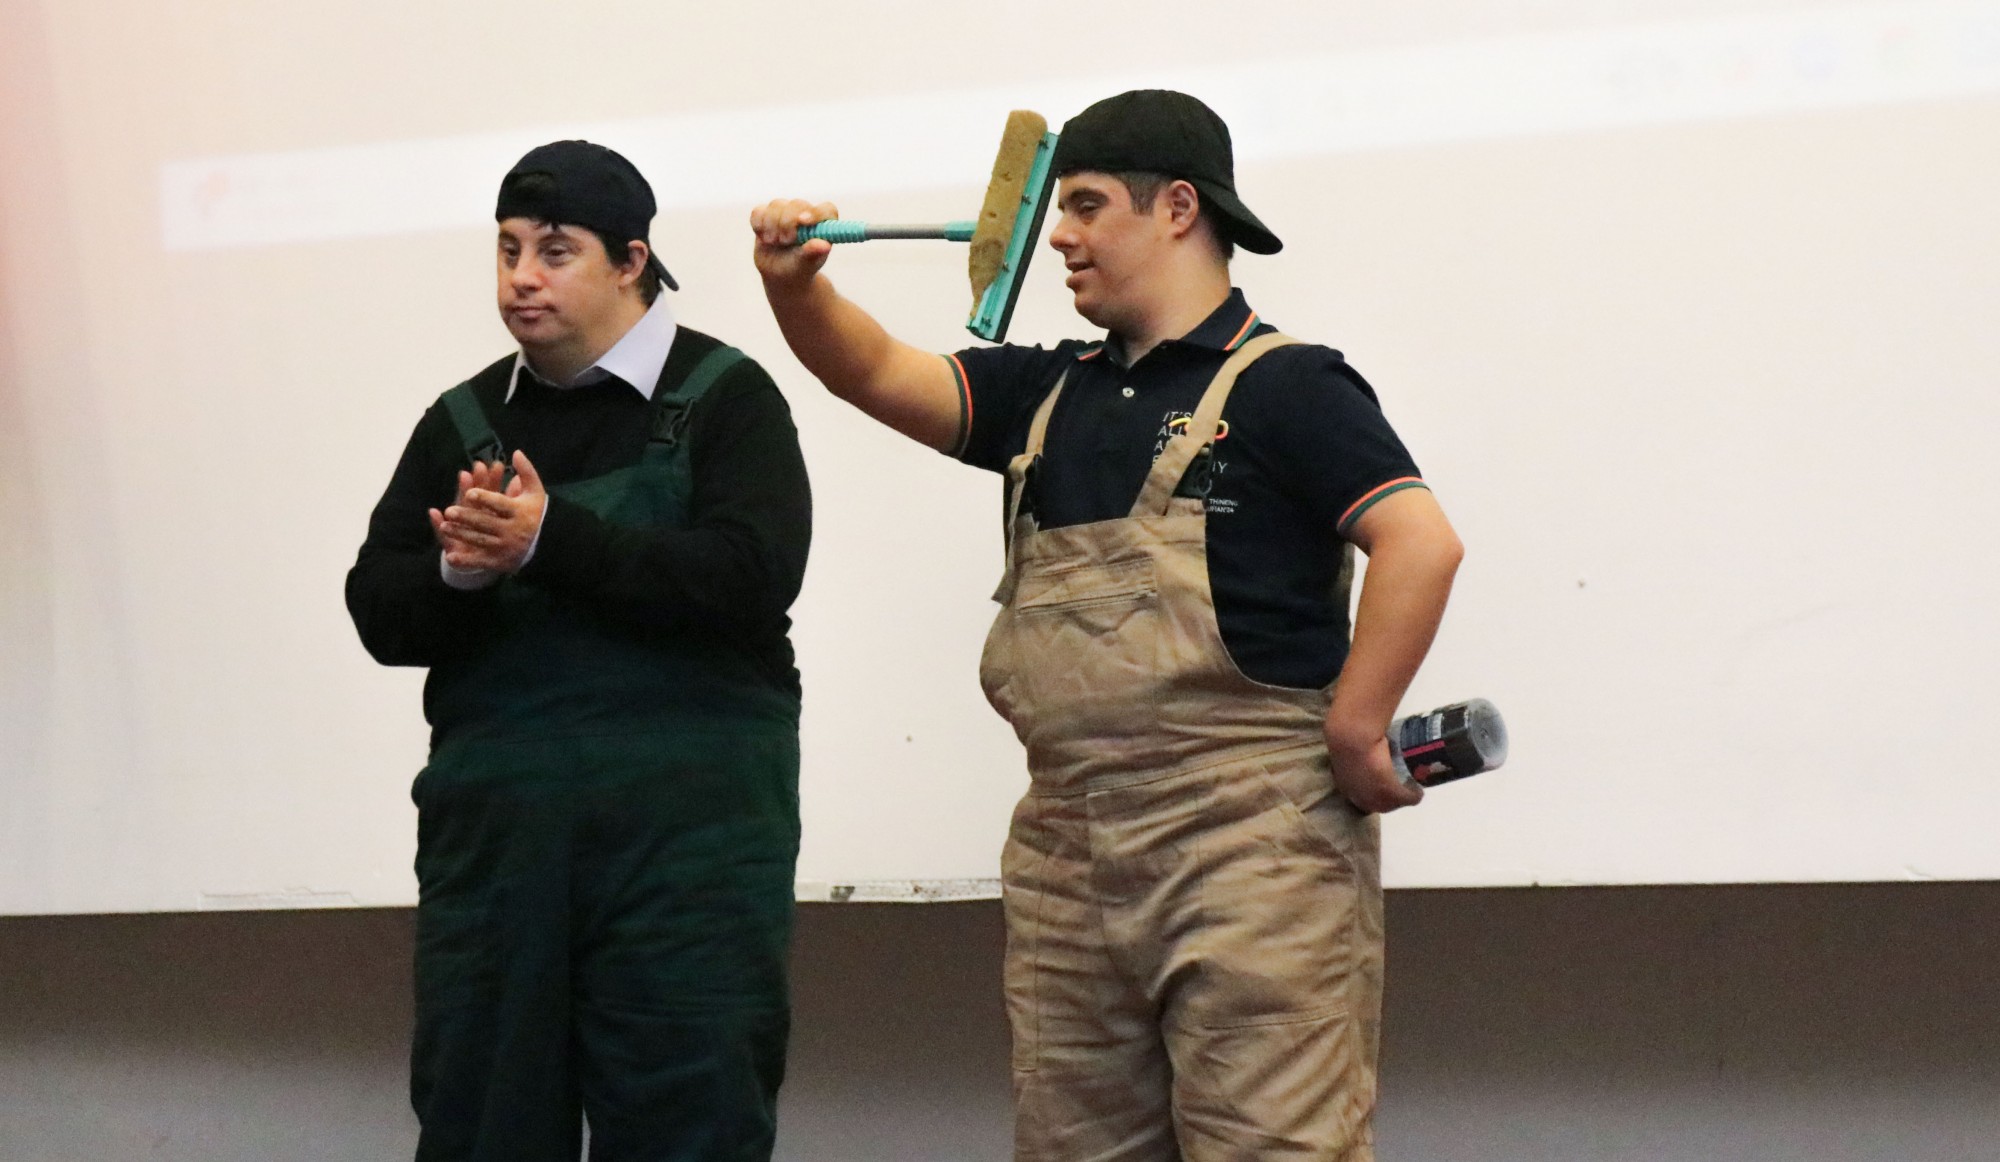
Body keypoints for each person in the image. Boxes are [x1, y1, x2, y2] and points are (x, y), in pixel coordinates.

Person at [752, 90, 1462, 1159]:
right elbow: (875, 371)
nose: (1060, 237)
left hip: (1251, 847)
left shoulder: (1289, 386)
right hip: (1067, 853)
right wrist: (793, 284)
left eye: (1085, 206)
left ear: (1176, 207)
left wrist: (1358, 731)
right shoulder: (1044, 394)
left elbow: (1419, 541)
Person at [347, 140, 811, 1162]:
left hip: (687, 858)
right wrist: (460, 572)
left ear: (631, 261)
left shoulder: (727, 398)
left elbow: (753, 573)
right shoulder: (463, 422)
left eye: (554, 252)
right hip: (497, 855)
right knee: (481, 1124)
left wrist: (548, 542)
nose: (522, 276)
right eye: (508, 248)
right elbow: (377, 608)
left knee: (688, 1125)